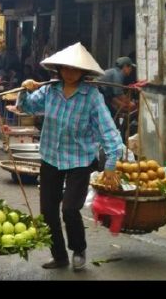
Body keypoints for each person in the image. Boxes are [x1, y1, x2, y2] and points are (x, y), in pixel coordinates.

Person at [17, 42, 122, 271]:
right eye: (66, 68)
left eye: (75, 69)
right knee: (48, 212)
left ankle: (78, 248)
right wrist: (25, 89)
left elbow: (108, 131)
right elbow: (28, 108)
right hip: (51, 157)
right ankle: (59, 256)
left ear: (83, 72)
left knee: (70, 209)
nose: (70, 73)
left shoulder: (92, 96)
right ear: (59, 69)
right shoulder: (50, 90)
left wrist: (112, 163)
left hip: (79, 160)